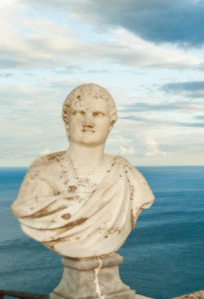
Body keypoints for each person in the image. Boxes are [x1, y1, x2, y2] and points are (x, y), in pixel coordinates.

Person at [11, 83, 154, 258]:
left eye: (97, 114)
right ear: (67, 122)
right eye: (79, 113)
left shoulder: (127, 175)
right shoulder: (41, 174)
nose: (88, 122)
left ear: (111, 124)